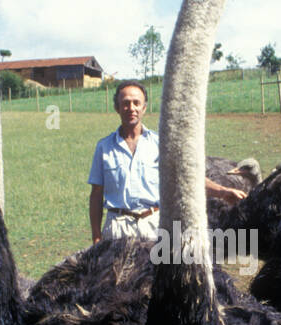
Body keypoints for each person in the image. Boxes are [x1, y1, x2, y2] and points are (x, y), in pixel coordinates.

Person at [88, 80, 247, 243]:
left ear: (144, 108)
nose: (132, 108)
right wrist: (96, 235)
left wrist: (223, 192)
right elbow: (96, 194)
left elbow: (187, 177)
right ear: (117, 108)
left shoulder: (161, 144)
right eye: (126, 103)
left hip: (154, 226)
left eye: (137, 103)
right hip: (117, 227)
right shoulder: (104, 147)